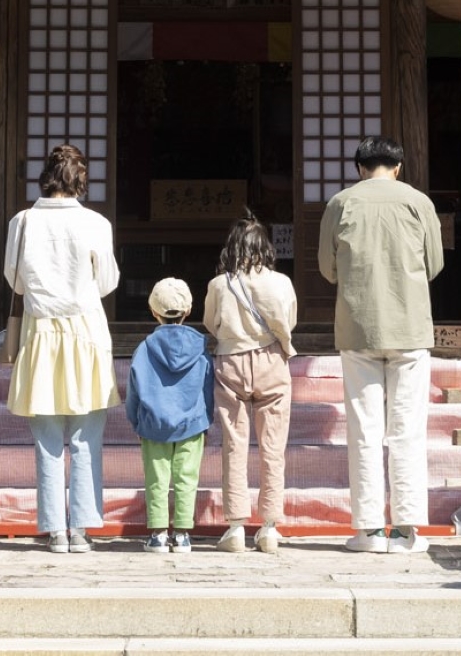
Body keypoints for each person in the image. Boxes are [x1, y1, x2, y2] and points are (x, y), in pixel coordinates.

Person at [317, 135, 442, 553]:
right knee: (407, 430)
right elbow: (435, 264)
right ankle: (406, 532)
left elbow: (326, 269)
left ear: (359, 168)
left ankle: (368, 531)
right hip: (410, 328)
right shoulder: (418, 202)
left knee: (364, 430)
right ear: (399, 167)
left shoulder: (340, 204)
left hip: (358, 327)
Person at [4, 142, 118, 553]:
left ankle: (54, 528)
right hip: (86, 330)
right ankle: (82, 529)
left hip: (41, 333)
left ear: (45, 177)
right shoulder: (95, 224)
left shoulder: (22, 222)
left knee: (47, 438)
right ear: (80, 180)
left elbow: (14, 282)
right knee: (88, 436)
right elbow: (107, 284)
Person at [202, 213, 297, 554]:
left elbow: (211, 323)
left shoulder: (218, 285)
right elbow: (291, 320)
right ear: (265, 248)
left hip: (231, 360)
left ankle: (236, 526)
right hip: (271, 359)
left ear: (233, 248)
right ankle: (269, 526)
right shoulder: (281, 282)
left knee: (234, 443)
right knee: (273, 447)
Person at [128, 276, 215, 554]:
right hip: (192, 422)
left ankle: (157, 533)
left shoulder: (144, 349)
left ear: (154, 311)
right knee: (187, 477)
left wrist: (136, 420)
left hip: (154, 424)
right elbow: (208, 386)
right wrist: (206, 420)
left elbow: (134, 389)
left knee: (157, 477)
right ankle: (183, 534)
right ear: (188, 311)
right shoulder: (200, 349)